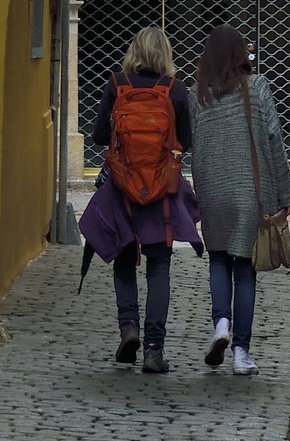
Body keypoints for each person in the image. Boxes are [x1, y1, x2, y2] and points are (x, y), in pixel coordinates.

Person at [77, 24, 200, 374]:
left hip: (121, 190)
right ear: (165, 54)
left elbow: (100, 134)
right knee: (159, 268)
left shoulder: (117, 84)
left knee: (124, 260)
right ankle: (154, 349)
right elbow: (186, 140)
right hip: (160, 194)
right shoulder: (175, 89)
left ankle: (128, 327)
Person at [189, 24, 290, 377]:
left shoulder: (197, 95)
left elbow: (194, 147)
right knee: (245, 270)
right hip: (250, 191)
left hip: (213, 191)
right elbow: (273, 141)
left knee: (218, 260)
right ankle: (241, 353)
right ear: (240, 54)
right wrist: (284, 194)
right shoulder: (258, 87)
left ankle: (221, 323)